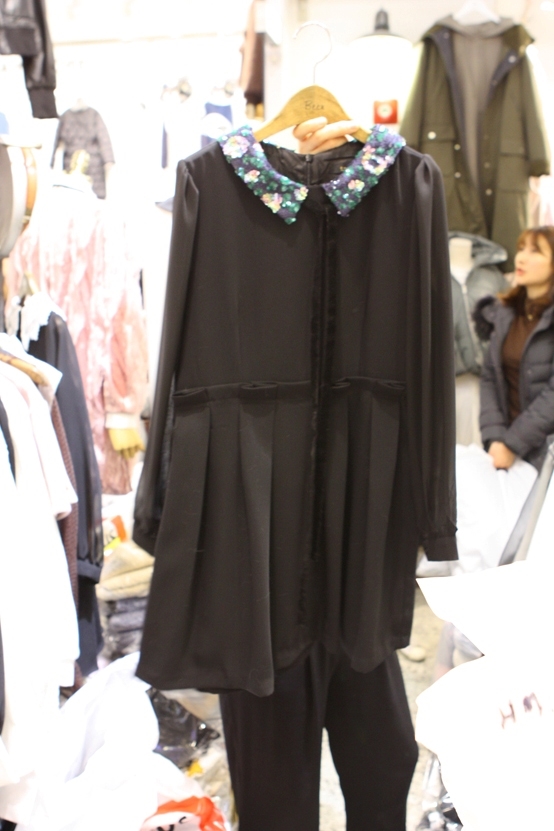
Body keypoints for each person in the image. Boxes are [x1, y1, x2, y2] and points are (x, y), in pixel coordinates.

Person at [475, 226, 554, 470]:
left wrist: (512, 444)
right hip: (504, 454)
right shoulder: (504, 313)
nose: (521, 258)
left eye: (535, 251)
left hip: (545, 454)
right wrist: (495, 438)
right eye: (521, 249)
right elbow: (490, 376)